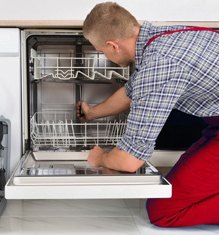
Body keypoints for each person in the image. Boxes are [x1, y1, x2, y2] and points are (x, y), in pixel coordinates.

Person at [78, 2, 219, 227]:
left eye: (100, 51)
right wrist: (92, 113)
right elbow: (131, 91)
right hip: (215, 126)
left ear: (112, 45)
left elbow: (129, 161)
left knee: (164, 211)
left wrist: (100, 158)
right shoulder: (162, 38)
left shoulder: (159, 65)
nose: (104, 56)